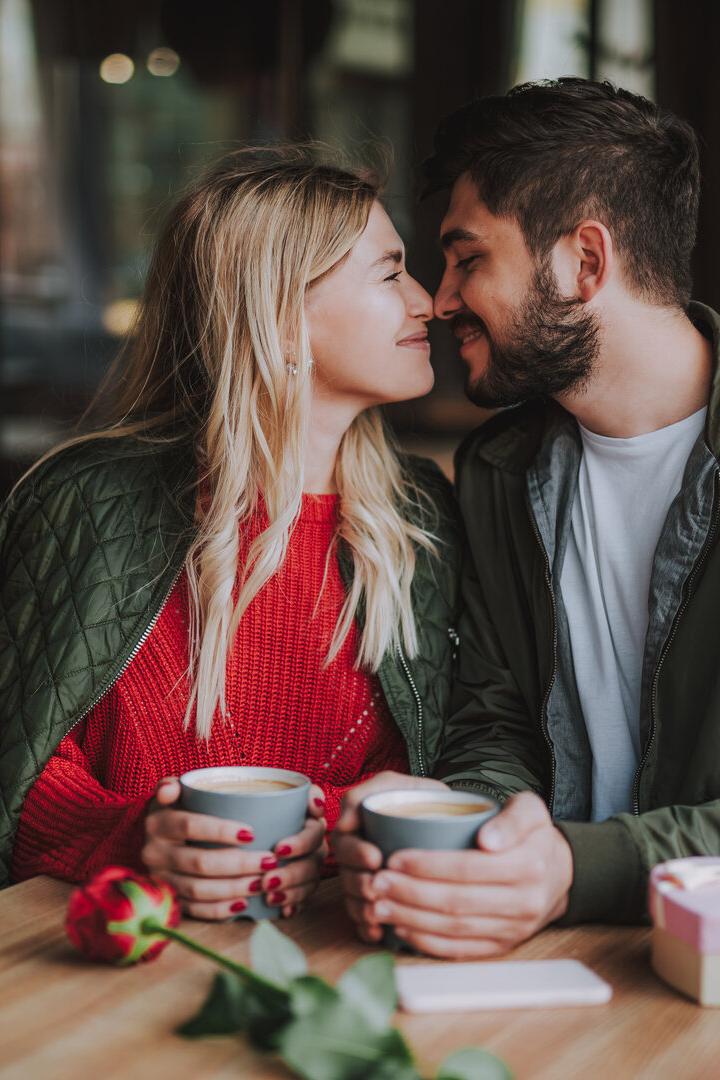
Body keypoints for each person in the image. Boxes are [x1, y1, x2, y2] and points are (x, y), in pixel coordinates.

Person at [0, 147, 461, 918]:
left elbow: (451, 758)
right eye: (390, 273)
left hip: (344, 946)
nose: (428, 302)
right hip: (107, 960)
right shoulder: (85, 501)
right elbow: (20, 762)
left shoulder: (423, 516)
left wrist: (346, 829)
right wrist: (131, 837)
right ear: (280, 316)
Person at [335, 78, 720, 957]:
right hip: (543, 960)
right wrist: (471, 830)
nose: (438, 300)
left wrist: (578, 870)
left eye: (469, 259)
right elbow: (497, 718)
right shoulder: (500, 469)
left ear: (585, 262)